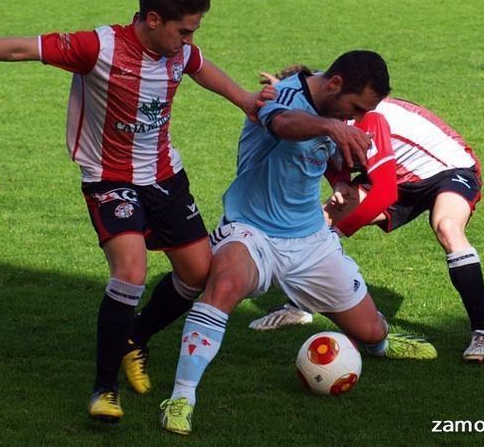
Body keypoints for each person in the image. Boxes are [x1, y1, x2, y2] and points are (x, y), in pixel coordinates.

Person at [0, 0, 274, 423]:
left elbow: (200, 66)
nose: (188, 40)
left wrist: (242, 99)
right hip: (109, 177)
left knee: (197, 276)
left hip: (164, 175)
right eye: (184, 30)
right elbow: (21, 47)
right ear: (153, 20)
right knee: (131, 273)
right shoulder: (98, 47)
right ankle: (104, 388)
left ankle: (134, 338)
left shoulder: (179, 50)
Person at [157, 51, 437, 437]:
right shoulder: (284, 96)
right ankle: (182, 397)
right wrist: (331, 128)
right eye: (354, 108)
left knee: (371, 331)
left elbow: (333, 160)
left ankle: (382, 344)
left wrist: (343, 173)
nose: (354, 118)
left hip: (310, 240)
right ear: (335, 84)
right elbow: (285, 125)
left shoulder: (337, 116)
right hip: (251, 230)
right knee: (224, 285)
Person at [249, 66, 484, 364]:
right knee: (317, 224)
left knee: (447, 227)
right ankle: (299, 305)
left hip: (448, 169)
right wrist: (340, 184)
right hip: (395, 177)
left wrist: (345, 227)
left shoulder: (364, 114)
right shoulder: (326, 115)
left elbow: (383, 193)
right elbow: (334, 157)